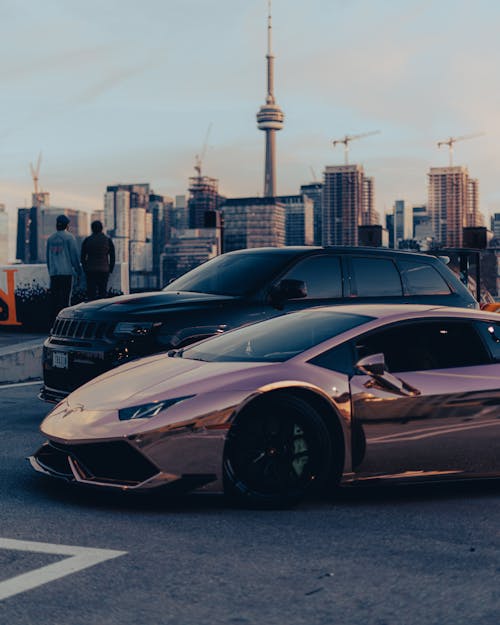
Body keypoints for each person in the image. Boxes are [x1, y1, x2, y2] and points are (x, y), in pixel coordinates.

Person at [46, 214, 82, 323]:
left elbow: (48, 258)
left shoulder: (50, 238)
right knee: (66, 300)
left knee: (54, 301)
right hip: (66, 273)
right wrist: (78, 271)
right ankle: (65, 324)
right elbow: (74, 257)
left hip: (54, 274)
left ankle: (53, 323)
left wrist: (51, 271)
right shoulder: (69, 237)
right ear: (67, 225)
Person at [80, 220, 115, 301]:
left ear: (92, 229)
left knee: (91, 294)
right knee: (103, 294)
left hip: (90, 271)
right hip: (104, 270)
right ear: (101, 228)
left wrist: (85, 269)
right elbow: (112, 256)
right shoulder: (107, 240)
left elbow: (82, 257)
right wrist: (110, 269)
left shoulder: (87, 240)